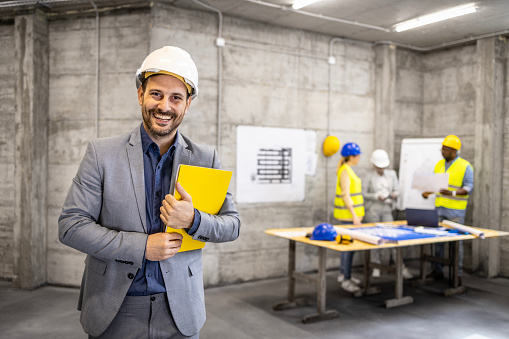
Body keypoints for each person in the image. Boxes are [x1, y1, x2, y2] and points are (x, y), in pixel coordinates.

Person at [58, 46, 241, 338]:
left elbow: (232, 225)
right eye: (156, 93)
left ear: (187, 104)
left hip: (179, 309)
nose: (165, 106)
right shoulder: (102, 153)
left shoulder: (205, 158)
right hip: (115, 308)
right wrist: (142, 247)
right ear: (141, 94)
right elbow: (70, 226)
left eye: (176, 98)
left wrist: (194, 219)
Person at [422, 135, 473, 284]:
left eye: (445, 149)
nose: (442, 151)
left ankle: (457, 274)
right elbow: (435, 185)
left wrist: (453, 193)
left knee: (456, 244)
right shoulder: (438, 165)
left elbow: (468, 188)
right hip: (439, 209)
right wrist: (427, 192)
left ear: (454, 150)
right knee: (437, 242)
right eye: (442, 148)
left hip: (455, 212)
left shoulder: (465, 166)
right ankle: (437, 271)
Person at [363, 149, 413, 279]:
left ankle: (400, 267)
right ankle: (375, 267)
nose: (381, 169)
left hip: (387, 209)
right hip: (373, 209)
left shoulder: (391, 175)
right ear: (374, 165)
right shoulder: (368, 176)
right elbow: (363, 194)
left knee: (392, 238)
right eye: (379, 167)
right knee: (374, 239)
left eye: (383, 166)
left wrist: (394, 194)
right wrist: (376, 196)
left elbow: (397, 189)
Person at [334, 142, 364, 293]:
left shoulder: (347, 169)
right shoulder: (345, 171)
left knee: (347, 248)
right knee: (348, 248)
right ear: (352, 156)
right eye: (358, 156)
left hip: (350, 217)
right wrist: (355, 217)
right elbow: (346, 195)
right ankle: (346, 279)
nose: (359, 158)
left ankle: (344, 274)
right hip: (348, 217)